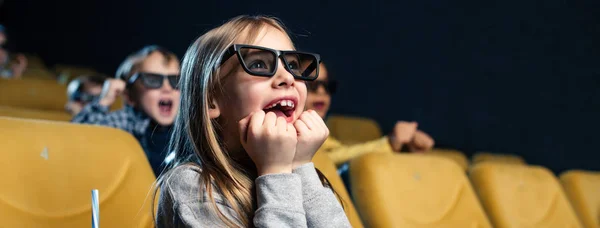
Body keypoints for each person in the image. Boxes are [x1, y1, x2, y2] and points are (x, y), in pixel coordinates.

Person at [154, 15, 351, 227]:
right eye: (258, 64)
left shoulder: (300, 172)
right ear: (211, 98)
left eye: (292, 65)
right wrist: (276, 172)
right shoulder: (193, 186)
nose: (288, 77)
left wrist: (301, 166)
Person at [72, 45, 181, 176]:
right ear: (129, 95)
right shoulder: (124, 121)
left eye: (176, 80)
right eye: (152, 80)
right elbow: (75, 142)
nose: (167, 88)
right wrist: (104, 101)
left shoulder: (187, 126)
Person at [305, 63, 436, 166]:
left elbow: (338, 154)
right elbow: (328, 159)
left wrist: (406, 147)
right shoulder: (293, 133)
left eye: (327, 85)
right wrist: (392, 142)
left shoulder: (325, 138)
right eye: (311, 85)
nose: (321, 92)